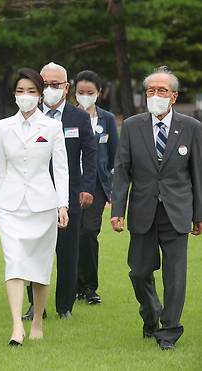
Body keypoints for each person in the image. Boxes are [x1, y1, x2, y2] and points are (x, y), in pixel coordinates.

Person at [111, 66, 202, 351]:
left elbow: (198, 174)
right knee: (139, 271)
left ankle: (170, 331)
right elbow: (122, 170)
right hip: (142, 210)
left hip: (177, 212)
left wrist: (199, 215)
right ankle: (151, 315)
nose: (156, 95)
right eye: (151, 90)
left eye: (162, 91)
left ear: (174, 96)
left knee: (175, 277)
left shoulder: (192, 128)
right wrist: (117, 210)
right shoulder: (132, 126)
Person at [0, 68, 69, 345]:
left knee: (39, 265)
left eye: (32, 91)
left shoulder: (52, 127)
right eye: (21, 91)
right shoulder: (2, 126)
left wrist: (62, 204)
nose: (26, 96)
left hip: (43, 205)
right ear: (14, 94)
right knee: (13, 262)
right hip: (11, 205)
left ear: (41, 95)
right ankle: (15, 326)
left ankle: (37, 321)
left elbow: (60, 168)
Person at [23, 62, 97, 321]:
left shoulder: (78, 117)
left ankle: (65, 306)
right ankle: (35, 306)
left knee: (67, 254)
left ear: (66, 88)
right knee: (33, 253)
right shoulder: (29, 115)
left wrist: (88, 187)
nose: (50, 89)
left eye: (56, 85)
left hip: (69, 195)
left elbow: (90, 154)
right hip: (35, 195)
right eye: (45, 84)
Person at [74, 70, 119, 305]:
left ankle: (90, 287)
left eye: (89, 93)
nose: (85, 96)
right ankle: (73, 285)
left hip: (97, 185)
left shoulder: (107, 119)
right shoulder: (68, 118)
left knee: (90, 232)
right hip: (71, 184)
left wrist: (109, 183)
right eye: (80, 92)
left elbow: (114, 156)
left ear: (98, 93)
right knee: (73, 234)